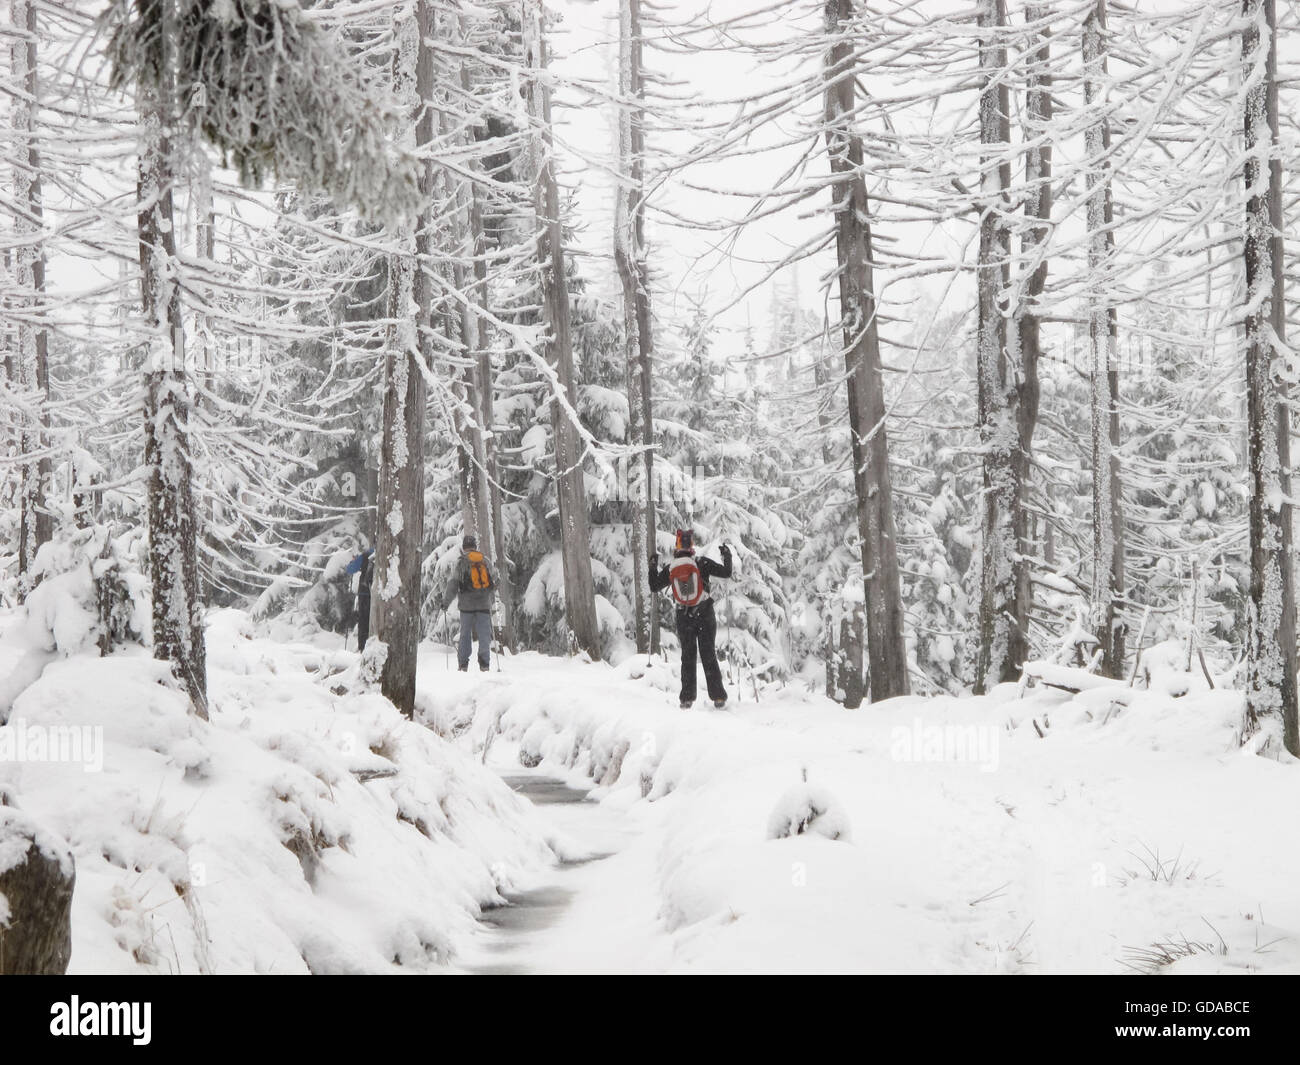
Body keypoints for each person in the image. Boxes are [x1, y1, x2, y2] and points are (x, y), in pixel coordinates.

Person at [649, 529, 732, 709]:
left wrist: (652, 566)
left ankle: (686, 699)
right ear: (692, 547)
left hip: (684, 615)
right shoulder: (701, 563)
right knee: (708, 654)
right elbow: (726, 573)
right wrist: (727, 555)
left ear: (677, 547)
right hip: (704, 613)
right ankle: (718, 697)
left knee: (688, 656)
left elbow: (654, 586)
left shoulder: (672, 567)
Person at [449, 534, 496, 672]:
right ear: (475, 547)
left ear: (464, 547)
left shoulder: (460, 562)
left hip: (466, 606)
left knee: (465, 635)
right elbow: (495, 579)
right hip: (483, 605)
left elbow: (453, 584)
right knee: (484, 636)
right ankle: (484, 665)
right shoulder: (485, 560)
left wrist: (445, 603)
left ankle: (463, 665)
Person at [345, 546, 375, 650]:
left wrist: (353, 561)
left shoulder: (366, 554)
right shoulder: (387, 553)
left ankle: (363, 648)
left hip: (364, 593)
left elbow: (350, 569)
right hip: (379, 595)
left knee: (363, 622)